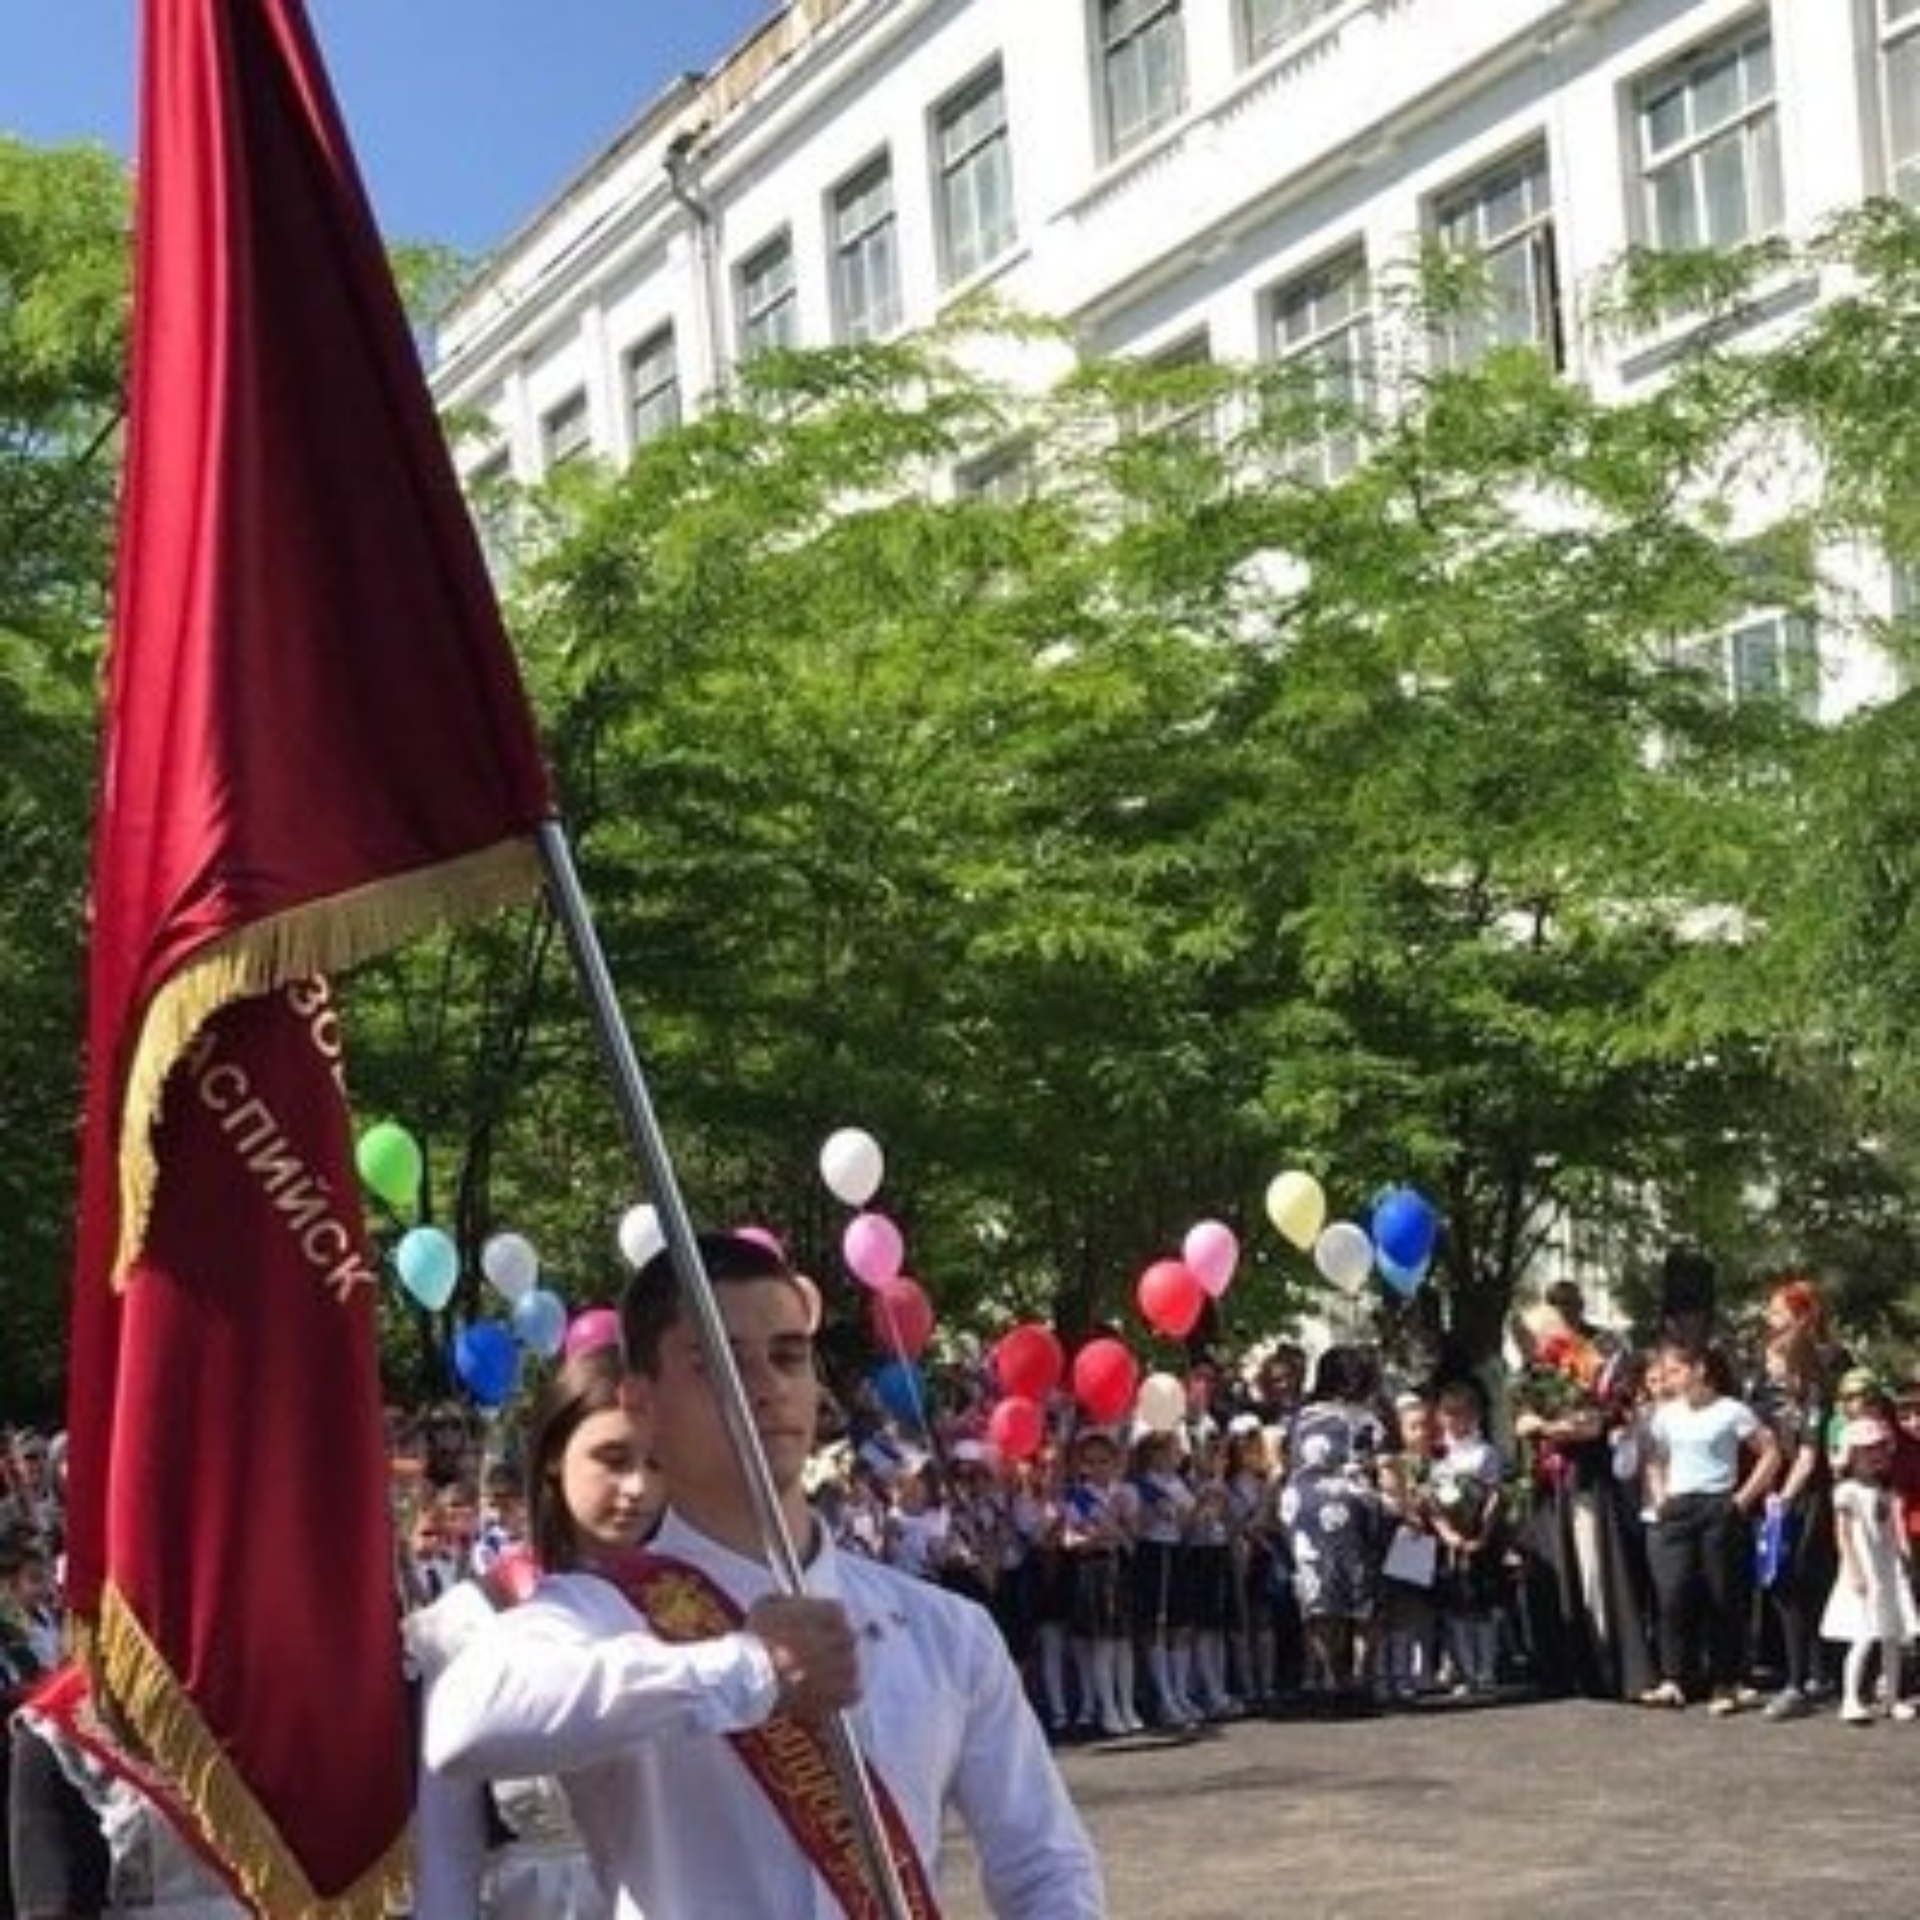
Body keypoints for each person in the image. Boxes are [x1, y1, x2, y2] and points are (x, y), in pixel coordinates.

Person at [426, 1231, 1102, 1917]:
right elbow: (464, 1718)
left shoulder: (943, 1629)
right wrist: (749, 1670)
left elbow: (1045, 1868)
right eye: (719, 1364)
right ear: (640, 1405)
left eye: (788, 1357)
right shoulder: (601, 1613)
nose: (767, 1387)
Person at [407, 1342, 658, 1919]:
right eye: (613, 1458)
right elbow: (449, 1846)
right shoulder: (475, 1616)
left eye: (658, 1461)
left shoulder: (698, 1603)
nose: (638, 1487)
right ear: (553, 1457)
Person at [1639, 1340, 1780, 1713]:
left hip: (1719, 1503)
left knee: (1722, 1595)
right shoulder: (1666, 1414)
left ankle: (1725, 1683)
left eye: (1676, 1371)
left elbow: (1769, 1452)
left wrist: (1741, 1500)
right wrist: (1660, 1496)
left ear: (1699, 1370)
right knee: (1672, 1595)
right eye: (1666, 1373)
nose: (1669, 1380)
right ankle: (1673, 1678)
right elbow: (1653, 1457)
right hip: (1678, 1506)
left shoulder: (1732, 1410)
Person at [1280, 1345, 1388, 1711]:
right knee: (1362, 1595)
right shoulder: (1367, 1420)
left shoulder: (1299, 1417)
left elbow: (1286, 1461)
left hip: (1302, 1505)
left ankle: (1333, 1679)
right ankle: (1360, 1679)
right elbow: (1387, 1468)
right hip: (1349, 1503)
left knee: (1320, 1593)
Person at [1820, 1416, 1919, 1725]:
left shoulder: (1887, 1491)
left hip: (1888, 1568)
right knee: (1864, 1634)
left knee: (1892, 1634)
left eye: (1878, 1448)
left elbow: (1894, 1529)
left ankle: (1891, 1697)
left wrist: (1904, 1555)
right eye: (1865, 1449)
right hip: (1864, 1569)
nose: (1873, 1455)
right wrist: (1854, 1570)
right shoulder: (1847, 1491)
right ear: (1851, 1454)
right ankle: (1851, 1697)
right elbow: (1844, 1535)